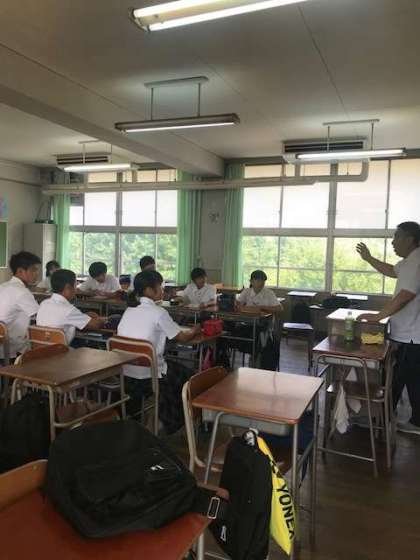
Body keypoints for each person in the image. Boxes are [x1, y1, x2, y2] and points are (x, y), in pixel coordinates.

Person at [117, 270, 200, 434]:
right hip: (150, 375)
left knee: (171, 369)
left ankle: (157, 416)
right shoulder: (158, 312)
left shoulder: (129, 311)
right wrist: (195, 330)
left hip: (126, 374)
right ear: (149, 290)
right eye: (160, 286)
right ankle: (168, 420)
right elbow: (182, 337)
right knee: (191, 378)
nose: (162, 290)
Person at [356, 221, 420, 435]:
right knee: (407, 377)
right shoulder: (409, 261)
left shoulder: (416, 261)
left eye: (396, 236)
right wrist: (369, 258)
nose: (393, 242)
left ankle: (382, 418)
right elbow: (392, 270)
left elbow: (405, 295)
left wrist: (378, 316)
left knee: (399, 378)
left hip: (412, 335)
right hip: (408, 333)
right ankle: (389, 417)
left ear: (410, 239)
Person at [36, 269, 106, 345]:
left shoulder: (44, 303)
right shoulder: (68, 310)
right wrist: (103, 320)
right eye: (75, 285)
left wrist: (84, 316)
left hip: (41, 348)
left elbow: (63, 317)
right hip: (59, 350)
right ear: (68, 288)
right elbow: (95, 325)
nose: (76, 290)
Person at [0, 251, 41, 358]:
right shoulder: (22, 292)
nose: (37, 273)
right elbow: (40, 316)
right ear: (20, 271)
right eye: (33, 270)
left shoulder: (3, 286)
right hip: (12, 350)